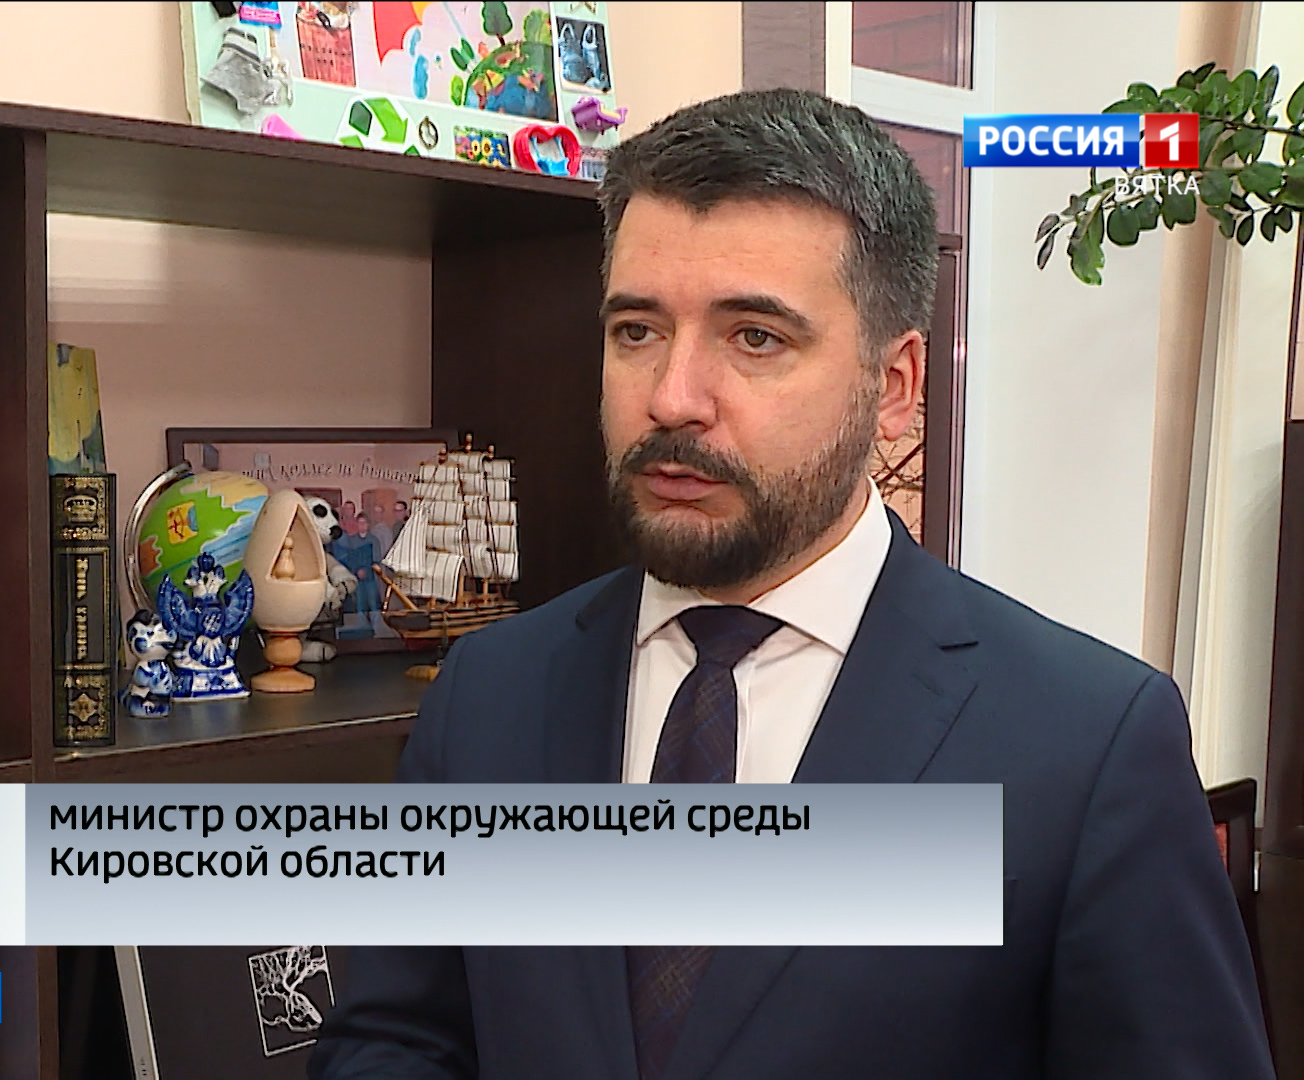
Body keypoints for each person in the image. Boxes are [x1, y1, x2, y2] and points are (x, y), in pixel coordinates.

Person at [309, 89, 1272, 1080]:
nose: (672, 398)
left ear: (893, 388)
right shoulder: (490, 692)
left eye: (755, 338)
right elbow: (395, 1038)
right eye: (637, 330)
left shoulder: (1087, 744)